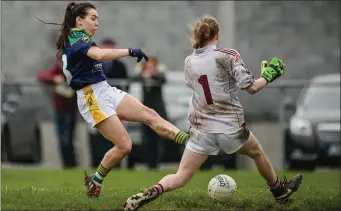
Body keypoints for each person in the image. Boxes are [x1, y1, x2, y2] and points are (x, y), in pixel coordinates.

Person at [123, 15, 303, 211]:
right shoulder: (228, 55)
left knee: (180, 176)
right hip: (229, 128)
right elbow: (251, 88)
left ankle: (147, 194)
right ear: (217, 34)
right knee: (257, 153)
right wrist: (269, 76)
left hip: (202, 130)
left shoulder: (189, 61)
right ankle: (279, 191)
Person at [49, 2, 189, 198]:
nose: (97, 23)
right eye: (93, 18)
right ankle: (95, 181)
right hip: (91, 97)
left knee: (150, 114)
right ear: (79, 20)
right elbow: (100, 54)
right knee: (124, 145)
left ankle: (189, 142)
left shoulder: (81, 38)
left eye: (98, 19)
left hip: (104, 89)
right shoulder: (76, 39)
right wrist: (130, 51)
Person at [37, 58, 78, 168]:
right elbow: (41, 76)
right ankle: (67, 164)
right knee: (62, 139)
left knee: (69, 138)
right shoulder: (55, 70)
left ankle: (72, 163)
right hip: (59, 109)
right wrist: (54, 78)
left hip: (71, 109)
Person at [133, 57, 168, 169]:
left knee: (157, 139)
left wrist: (152, 74)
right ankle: (148, 162)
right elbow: (133, 79)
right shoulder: (141, 76)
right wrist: (142, 75)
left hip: (158, 112)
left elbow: (163, 79)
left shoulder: (158, 76)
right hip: (145, 112)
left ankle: (155, 163)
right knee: (146, 139)